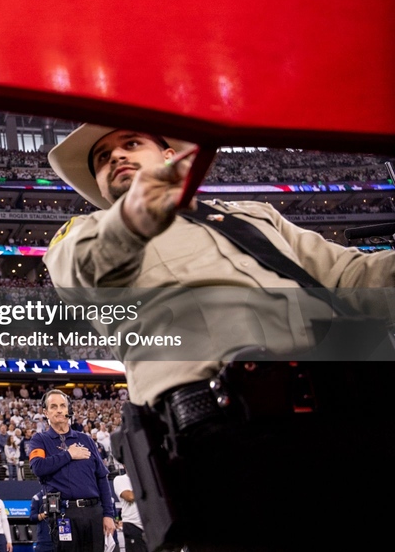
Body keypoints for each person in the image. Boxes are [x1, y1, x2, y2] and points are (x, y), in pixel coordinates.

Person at [43, 124, 395, 550]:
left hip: (349, 413)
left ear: (171, 156)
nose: (115, 157)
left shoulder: (254, 214)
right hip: (224, 442)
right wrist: (135, 215)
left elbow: (351, 276)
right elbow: (86, 269)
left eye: (131, 143)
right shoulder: (84, 235)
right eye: (102, 158)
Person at [28, 390, 115, 552]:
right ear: (45, 412)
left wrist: (109, 514)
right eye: (53, 407)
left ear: (68, 410)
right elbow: (38, 467)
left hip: (94, 512)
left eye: (62, 406)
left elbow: (102, 478)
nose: (59, 410)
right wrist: (68, 454)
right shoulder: (39, 440)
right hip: (64, 513)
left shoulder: (85, 439)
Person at [111, 471, 145, 552]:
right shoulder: (120, 479)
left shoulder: (148, 480)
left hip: (152, 527)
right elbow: (129, 497)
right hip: (134, 525)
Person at [28, 488, 56, 552]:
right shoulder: (37, 498)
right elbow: (32, 517)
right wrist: (46, 514)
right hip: (44, 540)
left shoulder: (61, 496)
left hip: (59, 539)